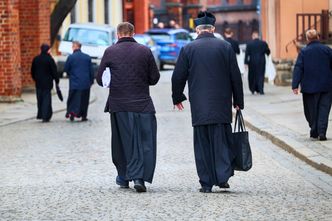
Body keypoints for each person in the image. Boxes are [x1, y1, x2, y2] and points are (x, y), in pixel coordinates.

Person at [172, 11, 244, 193]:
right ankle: (222, 178)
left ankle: (206, 182)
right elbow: (235, 76)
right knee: (221, 142)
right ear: (212, 28)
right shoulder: (225, 47)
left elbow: (178, 76)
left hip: (199, 106)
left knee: (202, 143)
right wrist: (238, 101)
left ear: (197, 30)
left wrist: (177, 96)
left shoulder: (188, 49)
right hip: (221, 104)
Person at [96, 22, 160, 192]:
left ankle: (124, 177)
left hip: (119, 105)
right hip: (143, 104)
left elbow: (99, 78)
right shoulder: (144, 51)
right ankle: (140, 178)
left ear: (118, 34)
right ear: (133, 33)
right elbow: (154, 78)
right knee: (145, 142)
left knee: (121, 143)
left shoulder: (110, 51)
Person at [292, 29, 332, 141]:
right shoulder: (327, 50)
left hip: (309, 87)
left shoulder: (304, 52)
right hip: (326, 86)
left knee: (311, 110)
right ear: (318, 37)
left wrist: (295, 85)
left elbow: (298, 68)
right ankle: (322, 131)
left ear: (308, 39)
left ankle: (314, 130)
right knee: (324, 109)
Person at [64, 41, 94, 121]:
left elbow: (66, 69)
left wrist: (71, 75)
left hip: (74, 82)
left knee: (73, 99)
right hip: (85, 83)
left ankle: (72, 113)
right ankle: (83, 115)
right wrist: (91, 81)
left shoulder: (71, 57)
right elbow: (91, 71)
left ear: (74, 47)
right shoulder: (87, 57)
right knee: (84, 100)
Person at [31, 43, 59, 122]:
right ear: (47, 50)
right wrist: (56, 80)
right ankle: (46, 115)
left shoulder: (36, 59)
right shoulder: (49, 59)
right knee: (46, 99)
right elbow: (54, 71)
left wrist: (35, 79)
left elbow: (32, 71)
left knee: (40, 98)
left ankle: (41, 114)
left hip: (38, 83)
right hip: (47, 83)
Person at [244, 30, 270, 95]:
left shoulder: (249, 44)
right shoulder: (263, 43)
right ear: (258, 36)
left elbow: (247, 54)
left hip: (252, 61)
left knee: (252, 75)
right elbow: (268, 52)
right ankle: (261, 90)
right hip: (261, 61)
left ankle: (253, 89)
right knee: (261, 75)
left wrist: (246, 63)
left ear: (253, 36)